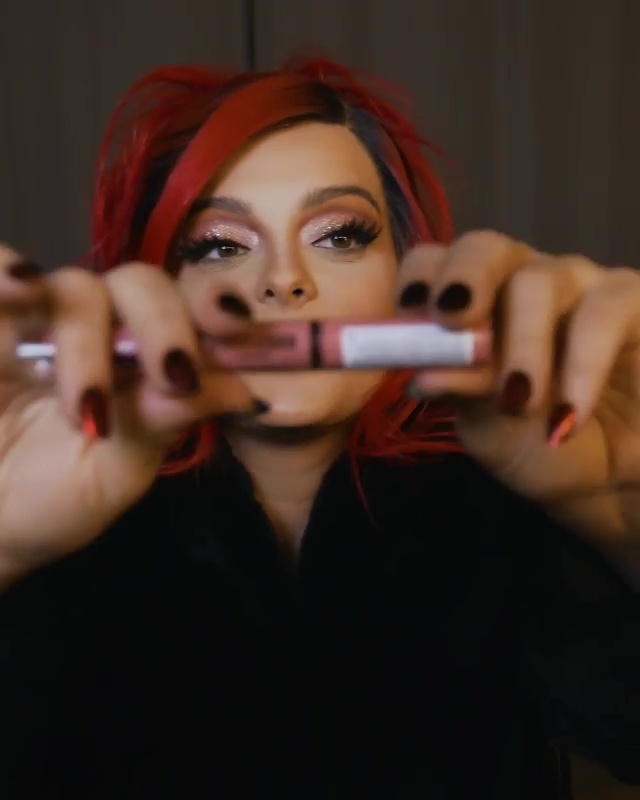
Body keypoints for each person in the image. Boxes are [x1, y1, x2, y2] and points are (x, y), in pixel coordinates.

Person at [0, 56, 639, 799]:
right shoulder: (62, 529)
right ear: (153, 287)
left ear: (406, 272)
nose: (283, 280)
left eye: (339, 235)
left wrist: (630, 525)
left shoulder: (508, 514)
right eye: (219, 245)